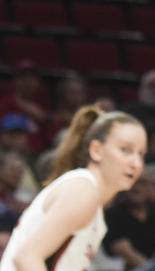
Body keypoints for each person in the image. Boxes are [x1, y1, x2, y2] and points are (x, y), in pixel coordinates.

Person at [0, 105, 146, 271]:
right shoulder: (83, 190)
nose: (136, 163)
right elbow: (26, 258)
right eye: (125, 150)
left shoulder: (91, 197)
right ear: (96, 150)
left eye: (141, 153)